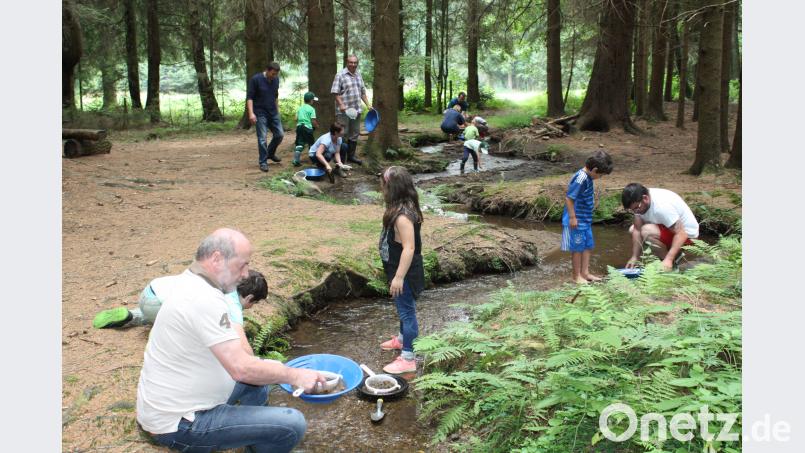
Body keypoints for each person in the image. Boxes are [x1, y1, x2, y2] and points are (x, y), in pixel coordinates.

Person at [137, 228, 326, 453]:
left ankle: (255, 436)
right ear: (217, 259)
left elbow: (239, 360)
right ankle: (265, 435)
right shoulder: (203, 298)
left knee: (258, 385)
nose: (245, 274)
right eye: (242, 265)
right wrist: (295, 375)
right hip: (180, 424)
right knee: (292, 425)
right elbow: (241, 369)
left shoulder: (194, 283)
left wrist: (271, 369)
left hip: (174, 405)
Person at [377, 166, 426, 374]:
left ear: (392, 188)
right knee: (402, 306)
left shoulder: (403, 216)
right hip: (397, 269)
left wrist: (398, 277)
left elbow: (409, 248)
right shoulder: (400, 208)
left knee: (407, 313)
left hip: (404, 272)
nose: (381, 188)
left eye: (383, 185)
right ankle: (401, 339)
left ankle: (408, 358)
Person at [561, 150, 614, 284]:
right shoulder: (581, 178)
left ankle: (585, 273)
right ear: (595, 169)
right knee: (577, 248)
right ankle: (576, 276)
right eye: (600, 175)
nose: (600, 177)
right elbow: (569, 198)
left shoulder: (588, 177)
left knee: (587, 246)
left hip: (585, 220)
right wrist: (572, 217)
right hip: (576, 221)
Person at [622, 183, 699, 271]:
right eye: (632, 210)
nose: (636, 211)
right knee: (632, 230)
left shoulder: (662, 206)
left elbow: (681, 234)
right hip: (668, 227)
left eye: (637, 208)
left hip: (688, 235)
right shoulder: (639, 201)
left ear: (645, 198)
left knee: (646, 231)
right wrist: (635, 257)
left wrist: (669, 259)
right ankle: (670, 258)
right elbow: (637, 230)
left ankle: (670, 264)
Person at [331, 55, 372, 166]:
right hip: (344, 111)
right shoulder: (340, 75)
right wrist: (341, 104)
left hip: (356, 110)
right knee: (342, 133)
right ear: (347, 62)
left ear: (357, 63)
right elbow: (335, 92)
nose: (353, 64)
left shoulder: (358, 75)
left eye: (355, 63)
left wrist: (368, 105)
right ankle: (340, 158)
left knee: (354, 133)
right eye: (351, 62)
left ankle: (351, 156)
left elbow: (362, 92)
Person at [247, 62, 284, 172]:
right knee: (262, 138)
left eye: (276, 74)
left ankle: (270, 153)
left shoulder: (276, 80)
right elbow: (250, 98)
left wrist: (277, 111)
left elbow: (275, 96)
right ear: (267, 70)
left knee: (279, 134)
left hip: (273, 112)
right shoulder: (256, 79)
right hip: (260, 113)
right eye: (273, 74)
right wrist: (251, 113)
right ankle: (263, 162)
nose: (274, 76)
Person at [293, 92, 320, 167]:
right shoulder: (312, 109)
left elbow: (295, 118)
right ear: (311, 100)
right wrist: (316, 125)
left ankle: (296, 160)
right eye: (313, 100)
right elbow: (313, 120)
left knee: (299, 143)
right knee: (311, 143)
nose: (313, 101)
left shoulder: (300, 108)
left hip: (299, 127)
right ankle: (313, 160)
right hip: (307, 128)